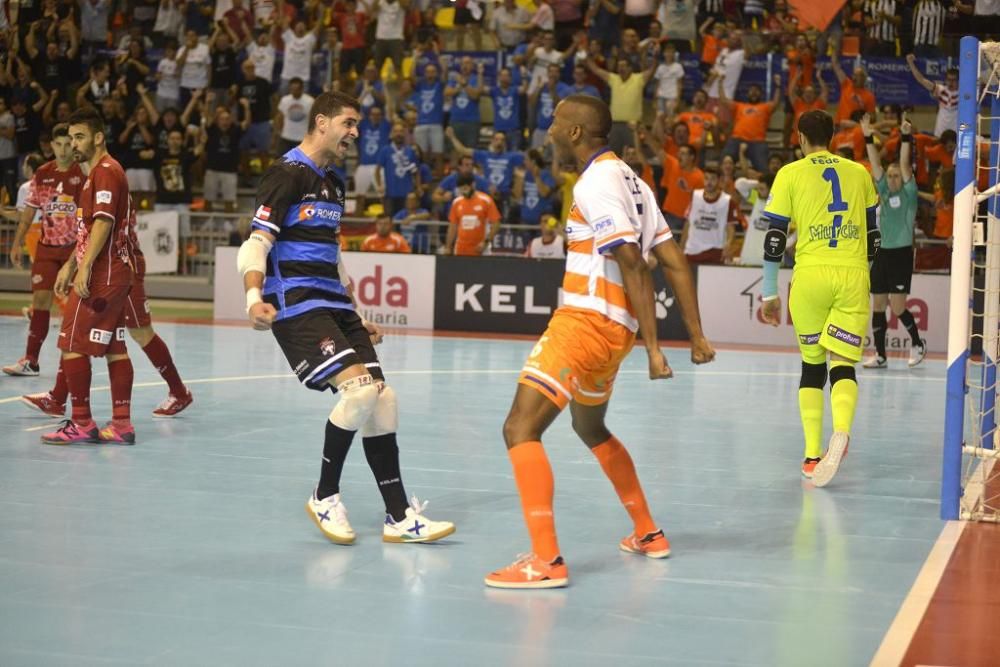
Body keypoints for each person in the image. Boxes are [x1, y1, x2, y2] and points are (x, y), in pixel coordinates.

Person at [485, 95, 715, 589]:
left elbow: (633, 261)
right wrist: (694, 336)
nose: (547, 128)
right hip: (614, 334)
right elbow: (673, 260)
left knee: (519, 429)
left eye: (555, 122)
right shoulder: (634, 181)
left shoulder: (596, 182)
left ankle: (545, 562)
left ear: (575, 133)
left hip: (585, 323)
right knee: (590, 428)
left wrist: (657, 349)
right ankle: (648, 532)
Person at [239, 90, 453, 545]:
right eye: (349, 124)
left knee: (384, 399)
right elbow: (256, 242)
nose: (355, 133)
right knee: (359, 393)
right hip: (296, 304)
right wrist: (253, 297)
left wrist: (354, 313)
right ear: (321, 122)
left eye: (357, 126)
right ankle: (324, 494)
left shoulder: (334, 183)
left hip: (333, 303)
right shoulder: (285, 175)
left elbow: (333, 255)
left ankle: (399, 517)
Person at [760, 109, 880, 487]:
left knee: (812, 366)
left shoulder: (790, 173)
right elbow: (874, 238)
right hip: (852, 272)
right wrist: (859, 272)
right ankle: (840, 431)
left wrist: (769, 291)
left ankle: (813, 456)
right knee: (843, 364)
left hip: (810, 275)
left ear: (799, 138)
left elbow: (776, 238)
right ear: (832, 136)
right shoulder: (859, 172)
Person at [38, 107, 139, 445]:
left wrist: (82, 269)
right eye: (71, 137)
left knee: (70, 344)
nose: (74, 143)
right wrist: (70, 264)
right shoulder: (96, 174)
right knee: (114, 347)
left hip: (103, 275)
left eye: (80, 137)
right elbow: (86, 230)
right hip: (112, 272)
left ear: (98, 137)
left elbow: (104, 223)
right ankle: (122, 424)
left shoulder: (106, 171)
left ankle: (81, 422)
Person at [4, 124, 85, 377]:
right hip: (46, 248)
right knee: (40, 301)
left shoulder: (83, 174)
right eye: (58, 144)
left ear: (74, 145)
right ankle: (31, 360)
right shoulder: (42, 173)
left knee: (73, 307)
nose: (62, 150)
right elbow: (28, 214)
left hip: (73, 251)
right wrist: (17, 244)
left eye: (67, 144)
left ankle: (71, 363)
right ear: (51, 146)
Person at [861, 113, 925, 369]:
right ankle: (880, 355)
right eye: (890, 176)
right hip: (881, 255)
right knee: (877, 305)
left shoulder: (909, 194)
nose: (892, 179)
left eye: (896, 176)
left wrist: (906, 135)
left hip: (900, 254)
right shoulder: (884, 190)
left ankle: (918, 344)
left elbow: (905, 164)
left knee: (898, 308)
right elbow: (875, 163)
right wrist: (867, 134)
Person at [680, 165, 743, 264]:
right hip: (692, 251)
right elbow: (688, 223)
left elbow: (731, 228)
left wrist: (728, 245)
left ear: (719, 180)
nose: (709, 182)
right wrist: (681, 248)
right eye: (706, 178)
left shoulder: (727, 201)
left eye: (713, 179)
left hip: (715, 252)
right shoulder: (695, 196)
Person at [444, 173, 501, 256]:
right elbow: (452, 226)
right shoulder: (457, 202)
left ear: (473, 185)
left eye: (466, 188)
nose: (464, 192)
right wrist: (448, 246)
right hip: (461, 249)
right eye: (461, 189)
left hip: (481, 250)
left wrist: (486, 242)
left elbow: (496, 223)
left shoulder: (485, 200)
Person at [905, 54, 958, 138]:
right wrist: (910, 63)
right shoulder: (940, 90)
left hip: (957, 132)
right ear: (946, 80)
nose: (951, 82)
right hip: (940, 131)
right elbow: (921, 80)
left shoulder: (964, 93)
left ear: (959, 80)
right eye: (949, 79)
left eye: (954, 80)